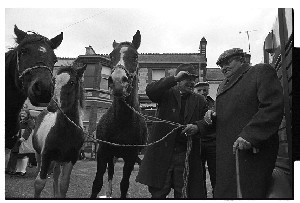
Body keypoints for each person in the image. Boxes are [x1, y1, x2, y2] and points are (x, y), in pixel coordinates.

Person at [205, 48, 284, 198]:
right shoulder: (222, 86)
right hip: (227, 156)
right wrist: (212, 115)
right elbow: (227, 115)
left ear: (242, 60)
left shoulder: (260, 71)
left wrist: (251, 136)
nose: (223, 68)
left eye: (228, 62)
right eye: (221, 65)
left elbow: (272, 106)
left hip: (252, 154)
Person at [136, 63, 208, 198]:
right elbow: (150, 91)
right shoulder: (165, 93)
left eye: (194, 79)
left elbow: (207, 122)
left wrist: (197, 126)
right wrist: (173, 79)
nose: (192, 82)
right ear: (179, 78)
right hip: (162, 154)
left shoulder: (200, 100)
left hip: (185, 153)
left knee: (184, 193)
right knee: (158, 193)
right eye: (187, 78)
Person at [194, 82, 216, 197]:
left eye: (204, 90)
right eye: (199, 90)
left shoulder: (214, 104)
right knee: (198, 176)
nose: (202, 92)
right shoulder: (192, 104)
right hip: (198, 143)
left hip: (213, 143)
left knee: (216, 174)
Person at [6, 109, 35, 176]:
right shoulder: (19, 120)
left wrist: (24, 137)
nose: (22, 115)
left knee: (24, 154)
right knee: (17, 154)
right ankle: (17, 170)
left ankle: (23, 170)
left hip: (25, 140)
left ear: (27, 114)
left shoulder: (30, 121)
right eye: (21, 113)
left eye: (24, 114)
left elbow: (29, 129)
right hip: (17, 139)